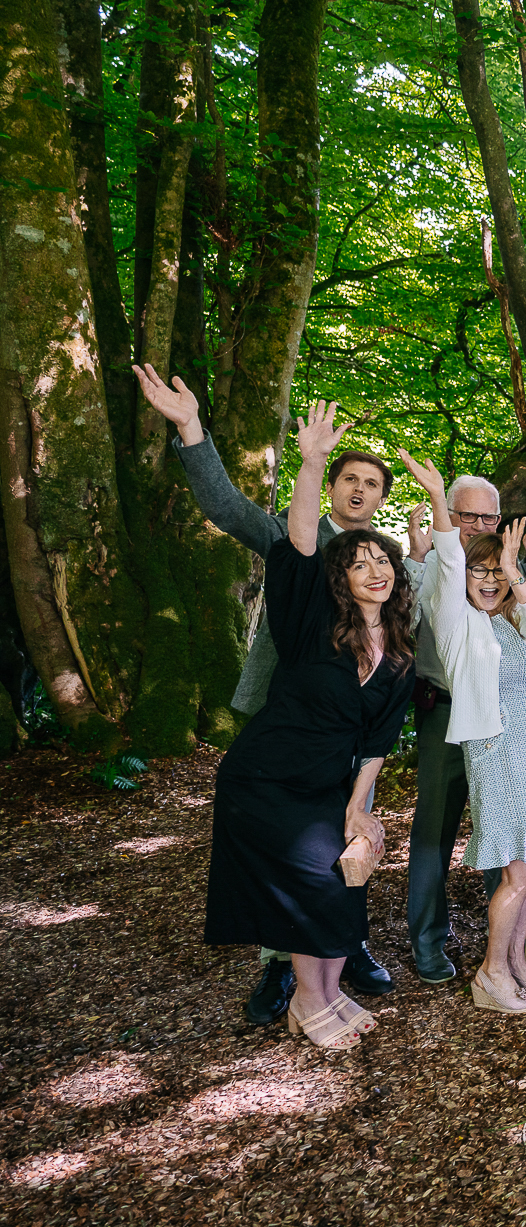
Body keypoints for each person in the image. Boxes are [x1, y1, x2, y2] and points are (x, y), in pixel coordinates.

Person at [134, 363, 397, 1020]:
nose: (360, 490)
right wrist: (192, 427)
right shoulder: (291, 535)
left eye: (372, 485)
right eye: (351, 478)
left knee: (344, 839)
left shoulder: (389, 561)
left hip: (352, 727)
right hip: (286, 721)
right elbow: (222, 505)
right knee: (289, 848)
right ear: (330, 482)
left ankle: (347, 946)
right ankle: (281, 969)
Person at [203, 402, 414, 1048]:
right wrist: (313, 461)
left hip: (328, 786)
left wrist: (360, 810)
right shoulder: (309, 628)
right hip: (266, 780)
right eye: (360, 564)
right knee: (308, 886)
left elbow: (378, 741)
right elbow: (297, 542)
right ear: (340, 579)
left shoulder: (401, 654)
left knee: (336, 887)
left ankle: (325, 994)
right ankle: (307, 1003)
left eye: (384, 562)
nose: (375, 570)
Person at [404, 453, 526, 1015]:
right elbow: (451, 565)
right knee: (521, 867)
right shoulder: (457, 624)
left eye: (495, 572)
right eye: (478, 572)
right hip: (498, 756)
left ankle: (518, 962)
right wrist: (438, 502)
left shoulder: (510, 620)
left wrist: (513, 567)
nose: (486, 580)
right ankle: (489, 971)